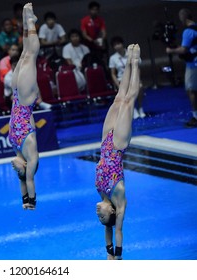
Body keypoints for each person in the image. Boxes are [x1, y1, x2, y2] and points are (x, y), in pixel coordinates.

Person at [95, 44, 141, 260]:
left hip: (105, 143)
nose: (98, 214)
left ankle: (127, 63)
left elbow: (107, 231)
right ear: (111, 212)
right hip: (119, 144)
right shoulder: (118, 196)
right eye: (102, 216)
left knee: (117, 99)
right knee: (128, 101)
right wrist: (119, 257)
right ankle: (135, 62)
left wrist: (108, 253)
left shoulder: (102, 194)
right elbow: (118, 230)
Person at [9, 3, 40, 210]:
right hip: (26, 100)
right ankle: (30, 23)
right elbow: (28, 181)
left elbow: (21, 181)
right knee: (31, 57)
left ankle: (26, 18)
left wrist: (22, 199)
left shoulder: (15, 145)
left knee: (22, 55)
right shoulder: (30, 151)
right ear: (25, 168)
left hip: (15, 97)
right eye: (16, 169)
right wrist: (30, 201)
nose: (13, 167)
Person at [166, 8, 197, 128]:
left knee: (191, 90)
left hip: (193, 65)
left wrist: (171, 50)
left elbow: (184, 49)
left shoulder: (188, 32)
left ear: (184, 17)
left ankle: (196, 116)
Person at [109, 36, 146, 119]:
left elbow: (138, 68)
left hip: (133, 77)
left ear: (122, 44)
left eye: (118, 44)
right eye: (115, 45)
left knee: (140, 88)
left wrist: (139, 80)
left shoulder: (131, 53)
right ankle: (133, 109)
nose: (117, 46)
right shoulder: (113, 58)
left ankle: (140, 107)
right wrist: (118, 84)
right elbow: (113, 74)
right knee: (126, 91)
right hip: (122, 80)